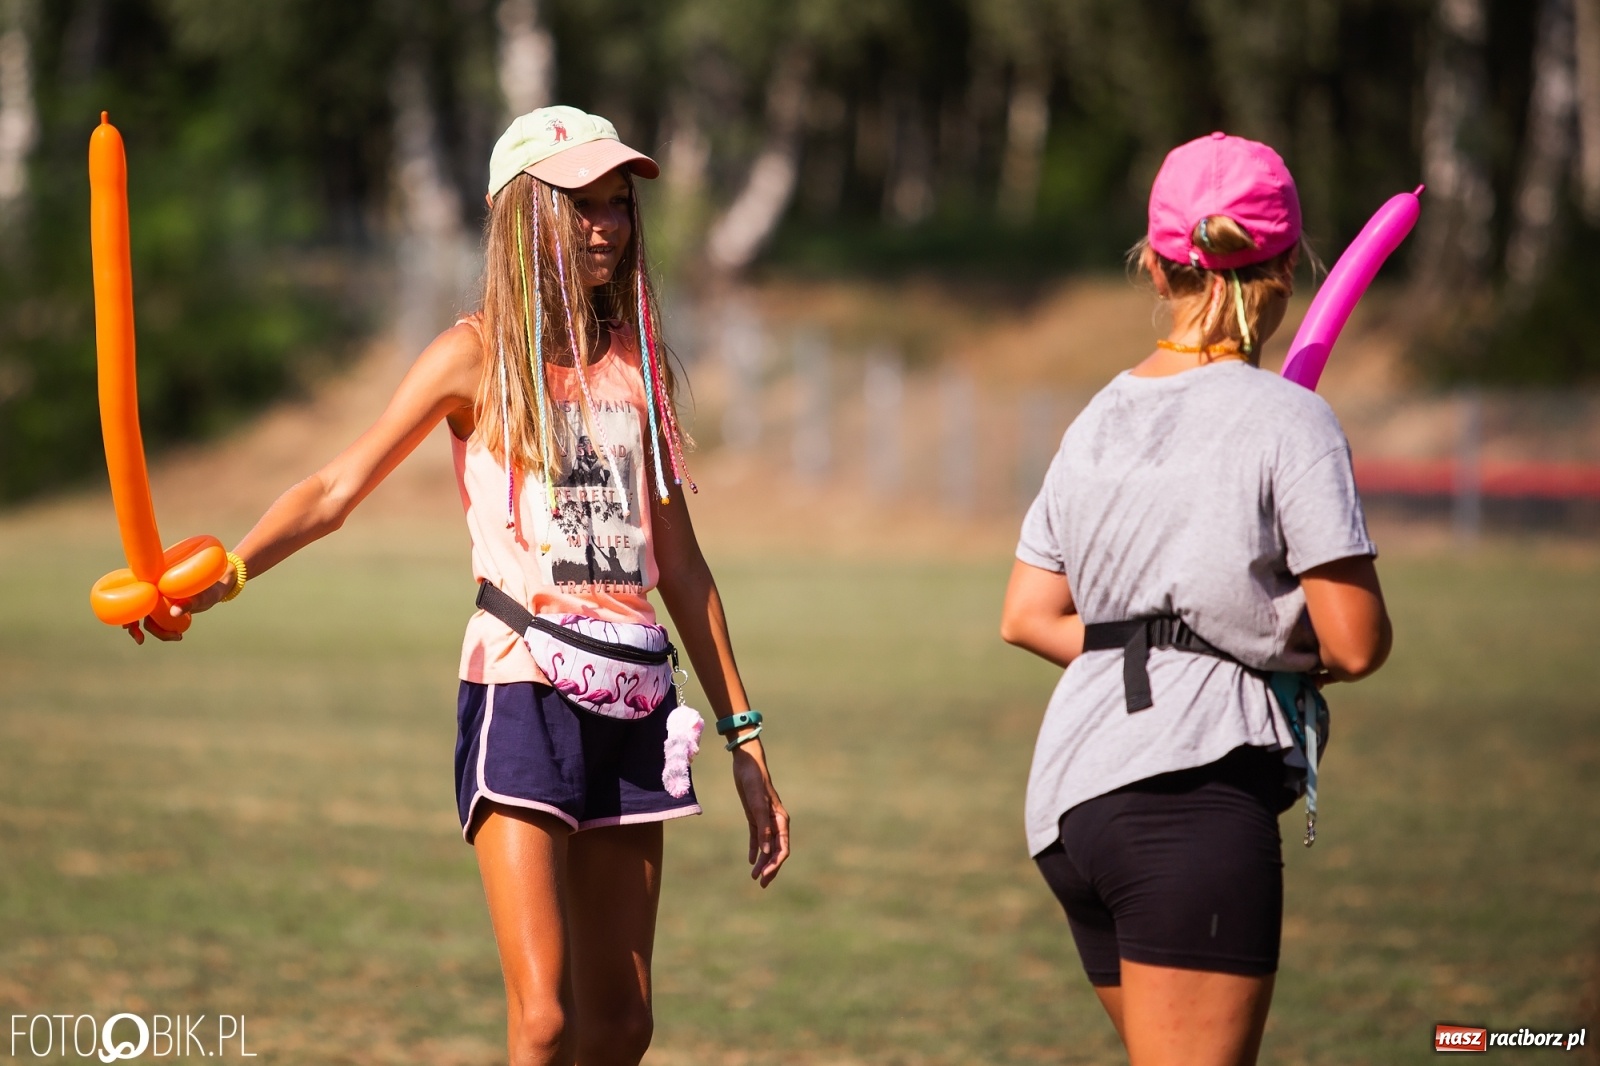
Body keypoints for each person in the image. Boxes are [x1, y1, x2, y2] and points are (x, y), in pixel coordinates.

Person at [131, 105, 791, 1066]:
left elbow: (682, 568)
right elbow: (334, 487)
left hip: (638, 696)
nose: (607, 225)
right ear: (527, 216)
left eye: (618, 205)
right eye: (581, 204)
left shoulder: (638, 368)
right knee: (545, 1021)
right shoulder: (472, 356)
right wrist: (225, 573)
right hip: (520, 685)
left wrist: (746, 741)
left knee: (624, 1025)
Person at [999, 132, 1391, 1066]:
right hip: (1191, 797)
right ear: (1284, 267)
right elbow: (1358, 641)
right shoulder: (1291, 421)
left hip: (1074, 800)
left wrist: (1159, 643)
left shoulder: (1098, 415)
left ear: (1159, 262)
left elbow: (1028, 614)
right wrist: (1257, 638)